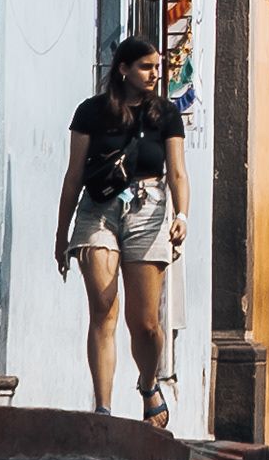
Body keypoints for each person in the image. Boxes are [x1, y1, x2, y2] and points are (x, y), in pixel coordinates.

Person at [56, 30, 188, 427]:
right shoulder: (91, 112)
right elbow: (74, 175)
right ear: (124, 69)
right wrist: (62, 233)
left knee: (145, 324)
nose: (154, 74)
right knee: (103, 308)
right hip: (98, 209)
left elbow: (177, 172)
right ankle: (103, 410)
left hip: (149, 210)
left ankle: (148, 384)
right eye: (146, 67)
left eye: (157, 67)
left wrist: (182, 215)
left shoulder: (165, 114)